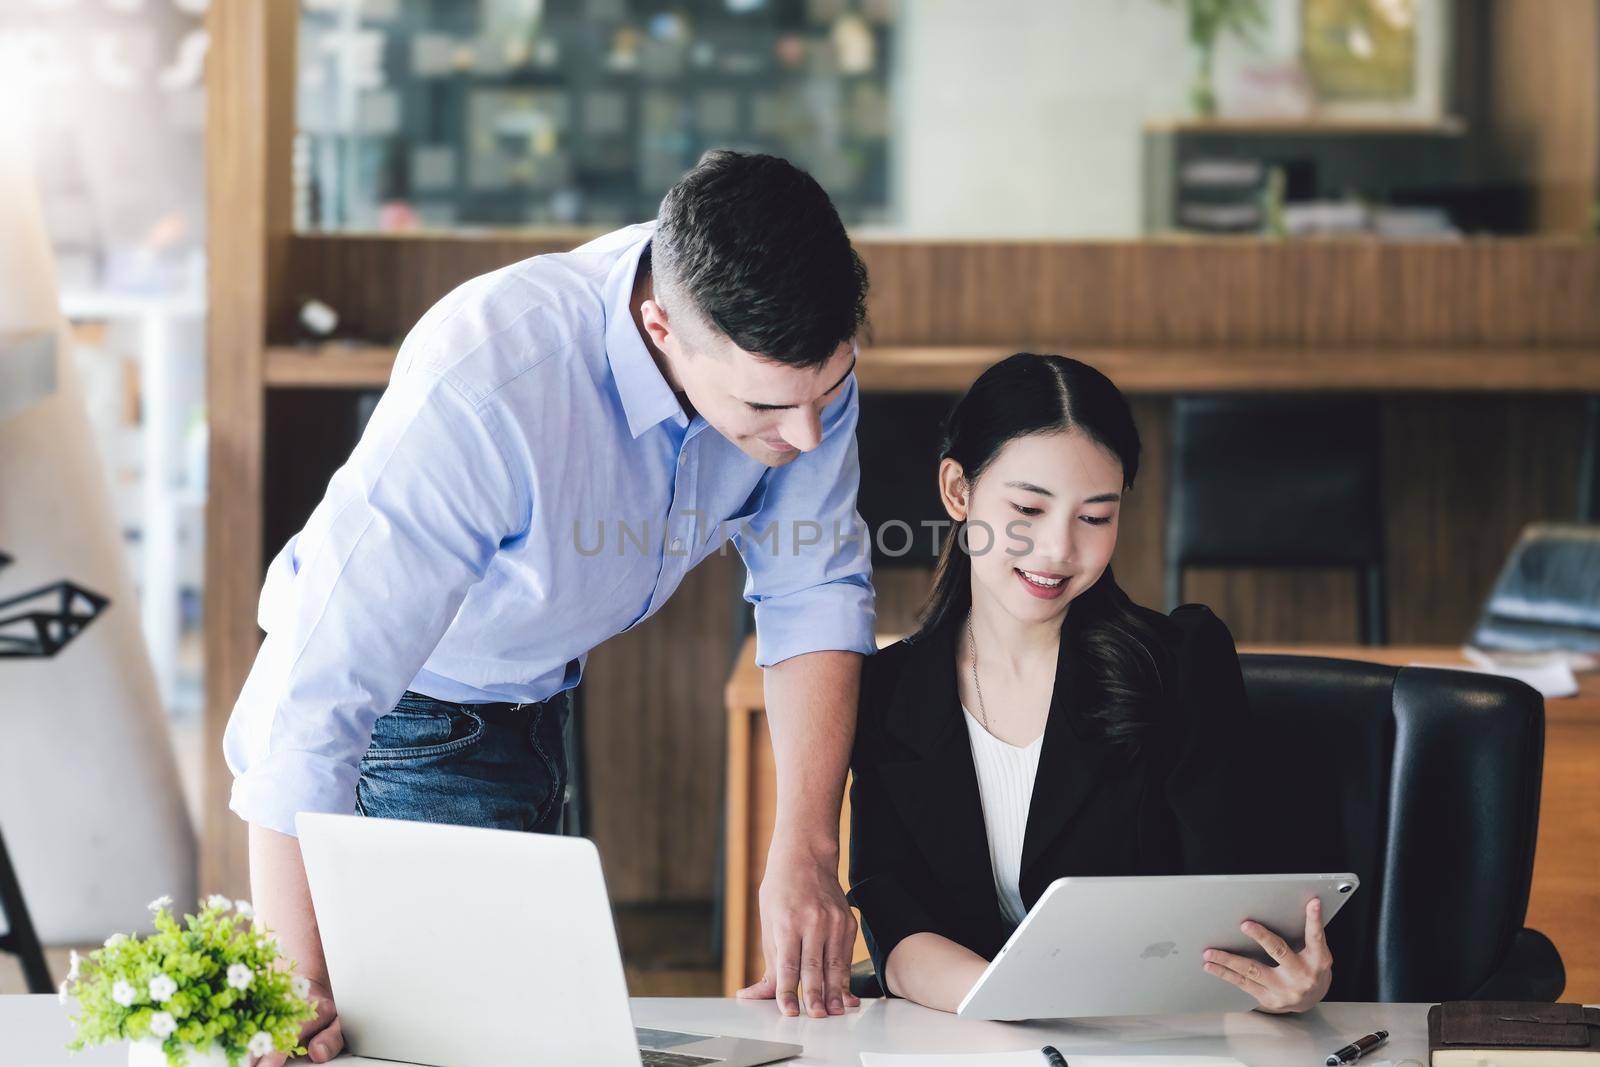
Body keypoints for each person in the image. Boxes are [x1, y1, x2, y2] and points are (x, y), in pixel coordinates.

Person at [224, 151, 876, 1064]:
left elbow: (813, 589)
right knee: (454, 1043)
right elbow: (317, 693)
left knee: (519, 1033)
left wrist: (809, 845)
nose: (805, 435)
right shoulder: (491, 380)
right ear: (662, 327)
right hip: (406, 726)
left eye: (830, 390)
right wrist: (296, 980)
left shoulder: (794, 359)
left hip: (534, 703)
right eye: (767, 406)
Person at [847, 353, 1333, 1014]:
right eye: (1028, 507)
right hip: (968, 1043)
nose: (1057, 549)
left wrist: (1293, 984)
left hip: (1157, 1040)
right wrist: (1011, 1016)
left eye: (1094, 517)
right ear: (958, 490)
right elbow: (896, 921)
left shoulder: (1179, 664)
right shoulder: (887, 690)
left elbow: (1236, 912)